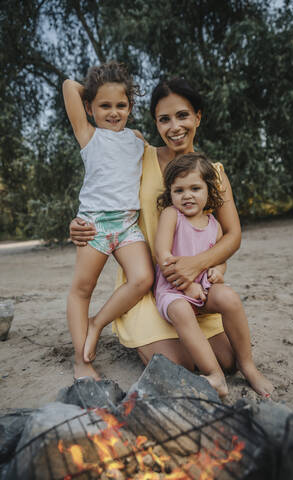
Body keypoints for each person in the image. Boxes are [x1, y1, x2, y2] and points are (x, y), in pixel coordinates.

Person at [69, 78, 272, 396]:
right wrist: (79, 222)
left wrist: (198, 265)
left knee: (228, 359)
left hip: (195, 285)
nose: (175, 126)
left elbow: (232, 235)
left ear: (198, 117)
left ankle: (220, 356)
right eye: (164, 119)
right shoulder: (137, 155)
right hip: (149, 288)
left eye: (183, 115)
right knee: (179, 365)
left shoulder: (213, 174)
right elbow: (101, 188)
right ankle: (135, 328)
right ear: (155, 123)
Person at [154, 152, 273, 398]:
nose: (187, 195)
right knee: (181, 310)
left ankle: (248, 366)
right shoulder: (171, 216)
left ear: (209, 191)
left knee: (229, 297)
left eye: (195, 188)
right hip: (173, 290)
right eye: (179, 190)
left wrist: (218, 271)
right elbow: (163, 256)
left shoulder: (213, 224)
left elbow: (221, 259)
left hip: (203, 288)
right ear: (170, 193)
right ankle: (215, 375)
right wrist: (187, 287)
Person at [63, 61, 154, 381]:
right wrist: (91, 89)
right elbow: (67, 86)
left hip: (127, 225)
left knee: (143, 278)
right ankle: (81, 361)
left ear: (130, 106)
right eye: (104, 105)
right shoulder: (88, 135)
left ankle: (97, 323)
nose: (113, 112)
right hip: (94, 226)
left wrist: (109, 90)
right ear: (89, 107)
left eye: (121, 105)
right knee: (82, 289)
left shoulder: (137, 138)